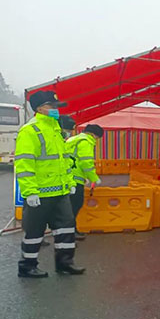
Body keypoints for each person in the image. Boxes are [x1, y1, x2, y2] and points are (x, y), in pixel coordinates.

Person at [14, 90, 85, 278]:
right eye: (51, 106)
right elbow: (24, 163)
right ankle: (27, 266)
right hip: (40, 193)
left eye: (56, 106)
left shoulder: (56, 130)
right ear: (39, 109)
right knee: (34, 232)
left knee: (66, 228)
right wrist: (30, 192)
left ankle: (65, 263)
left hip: (61, 192)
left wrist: (70, 182)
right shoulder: (30, 131)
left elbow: (64, 161)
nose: (56, 109)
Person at [66, 124, 104, 240]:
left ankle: (70, 231)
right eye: (97, 138)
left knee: (69, 207)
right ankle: (70, 233)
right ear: (93, 135)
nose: (96, 140)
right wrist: (94, 178)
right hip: (75, 178)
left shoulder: (73, 140)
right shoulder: (86, 141)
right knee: (75, 205)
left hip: (67, 176)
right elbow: (86, 162)